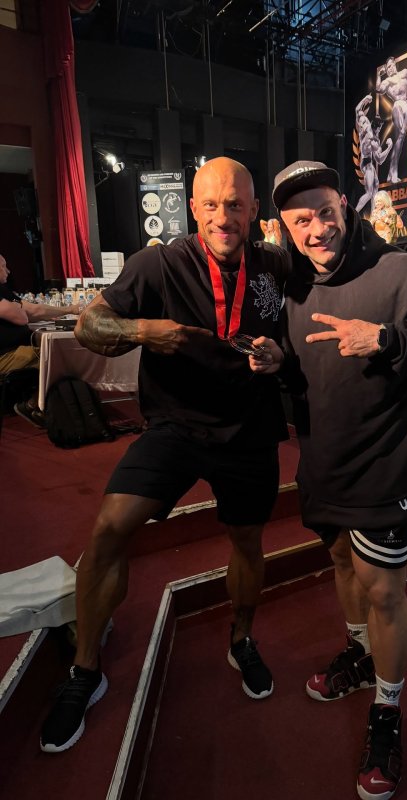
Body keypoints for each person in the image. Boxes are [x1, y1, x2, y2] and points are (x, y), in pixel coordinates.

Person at [39, 157, 289, 753]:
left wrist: (280, 354)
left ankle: (242, 639)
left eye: (236, 205)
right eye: (212, 205)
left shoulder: (276, 265)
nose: (223, 217)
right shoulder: (157, 264)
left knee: (247, 541)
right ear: (194, 209)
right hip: (175, 426)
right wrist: (142, 332)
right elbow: (90, 325)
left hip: (249, 429)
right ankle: (85, 669)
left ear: (255, 210)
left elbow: (297, 327)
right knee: (109, 529)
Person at [254, 161, 407, 800]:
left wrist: (386, 337)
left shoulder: (405, 270)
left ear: (345, 205)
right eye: (301, 220)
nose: (317, 229)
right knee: (341, 567)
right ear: (286, 226)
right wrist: (279, 363)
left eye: (326, 212)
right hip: (322, 465)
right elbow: (309, 373)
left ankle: (387, 708)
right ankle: (359, 654)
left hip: (384, 468)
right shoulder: (296, 286)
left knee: (383, 590)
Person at [0, 253, 79, 427]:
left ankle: (45, 404)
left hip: (13, 350)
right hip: (5, 356)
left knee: (53, 352)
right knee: (59, 358)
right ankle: (32, 405)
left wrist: (70, 310)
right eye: (3, 266)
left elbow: (32, 311)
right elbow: (23, 317)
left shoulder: (3, 291)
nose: (8, 271)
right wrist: (18, 310)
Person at [375, 57, 407, 184]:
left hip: (405, 105)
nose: (389, 69)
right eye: (387, 68)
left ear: (394, 64)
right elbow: (379, 89)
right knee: (402, 134)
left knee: (400, 141)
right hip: (397, 106)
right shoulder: (387, 81)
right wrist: (379, 75)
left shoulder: (404, 72)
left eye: (390, 66)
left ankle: (391, 173)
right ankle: (393, 174)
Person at [355, 94, 393, 217]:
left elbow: (379, 159)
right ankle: (354, 213)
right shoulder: (366, 128)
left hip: (369, 163)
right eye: (379, 126)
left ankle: (373, 216)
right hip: (366, 163)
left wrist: (389, 147)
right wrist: (365, 99)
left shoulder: (375, 139)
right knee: (370, 192)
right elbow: (357, 110)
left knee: (376, 186)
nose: (379, 129)